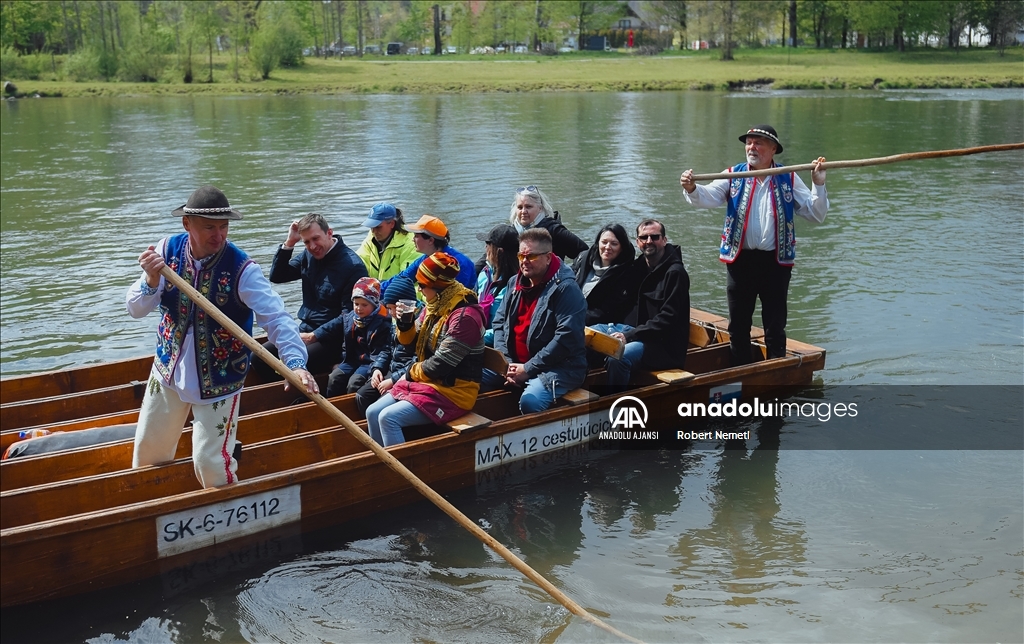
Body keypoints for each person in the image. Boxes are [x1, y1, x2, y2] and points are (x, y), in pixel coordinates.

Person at [126, 185, 316, 488]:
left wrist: (295, 363)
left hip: (220, 377)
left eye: (224, 226)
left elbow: (276, 318)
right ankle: (151, 511)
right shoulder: (166, 252)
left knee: (210, 463)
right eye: (209, 227)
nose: (219, 235)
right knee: (148, 455)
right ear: (187, 225)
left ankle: (228, 514)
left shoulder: (242, 269)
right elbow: (135, 309)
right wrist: (151, 279)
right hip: (167, 370)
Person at [680, 125, 828, 364]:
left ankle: (777, 371)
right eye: (749, 142)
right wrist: (691, 188)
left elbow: (815, 214)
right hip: (741, 261)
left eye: (758, 143)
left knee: (775, 324)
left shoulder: (789, 175)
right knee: (738, 324)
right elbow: (707, 196)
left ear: (773, 149)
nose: (751, 147)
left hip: (776, 262)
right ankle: (741, 371)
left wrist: (818, 184)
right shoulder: (734, 174)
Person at [365, 252, 487, 447]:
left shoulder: (465, 317)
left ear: (438, 287)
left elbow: (441, 365)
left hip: (454, 391)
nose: (419, 290)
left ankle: (400, 473)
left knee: (388, 418)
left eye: (422, 285)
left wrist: (407, 374)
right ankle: (383, 468)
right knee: (372, 412)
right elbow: (410, 343)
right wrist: (405, 323)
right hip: (428, 383)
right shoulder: (434, 306)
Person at [488, 228, 588, 414]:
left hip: (560, 367)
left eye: (531, 256)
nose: (524, 261)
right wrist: (506, 363)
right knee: (471, 375)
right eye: (521, 255)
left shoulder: (566, 290)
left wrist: (528, 368)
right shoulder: (514, 283)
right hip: (515, 364)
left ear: (548, 257)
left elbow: (566, 338)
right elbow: (499, 324)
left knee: (530, 402)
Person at [263, 212, 367, 376]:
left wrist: (315, 336)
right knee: (261, 357)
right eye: (306, 242)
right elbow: (277, 276)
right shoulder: (308, 256)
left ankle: (300, 397)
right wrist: (290, 243)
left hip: (333, 340)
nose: (312, 246)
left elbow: (351, 314)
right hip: (305, 330)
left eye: (315, 239)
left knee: (295, 362)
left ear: (329, 233)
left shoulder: (352, 266)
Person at [599, 220, 691, 386]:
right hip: (634, 332)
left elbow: (667, 319)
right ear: (638, 242)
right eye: (644, 237)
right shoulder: (638, 267)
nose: (649, 241)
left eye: (654, 237)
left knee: (618, 357)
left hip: (661, 345)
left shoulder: (676, 273)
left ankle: (617, 404)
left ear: (664, 240)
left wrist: (628, 336)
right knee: (585, 335)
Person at [354, 276, 418, 414]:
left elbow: (417, 360)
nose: (392, 313)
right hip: (392, 369)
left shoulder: (418, 323)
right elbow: (387, 349)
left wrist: (393, 379)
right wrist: (377, 368)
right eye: (389, 308)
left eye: (395, 308)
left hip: (407, 375)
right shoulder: (394, 323)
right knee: (362, 395)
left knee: (382, 403)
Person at [325, 277, 394, 398]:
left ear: (374, 304)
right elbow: (346, 345)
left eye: (364, 305)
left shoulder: (383, 323)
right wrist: (342, 361)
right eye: (356, 304)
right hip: (353, 360)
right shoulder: (351, 318)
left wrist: (376, 368)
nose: (359, 308)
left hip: (370, 362)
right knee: (334, 377)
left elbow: (382, 352)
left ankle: (351, 411)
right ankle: (330, 403)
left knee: (354, 383)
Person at [380, 214, 476, 295]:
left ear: (430, 240)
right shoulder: (425, 258)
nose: (413, 240)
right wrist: (375, 290)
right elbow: (402, 279)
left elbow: (456, 297)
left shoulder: (460, 264)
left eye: (416, 236)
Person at [571, 223, 639, 326]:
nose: (608, 247)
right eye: (604, 242)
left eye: (614, 244)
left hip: (596, 326)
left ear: (622, 247)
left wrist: (573, 318)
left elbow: (608, 312)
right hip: (569, 313)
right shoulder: (583, 259)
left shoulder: (628, 274)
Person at [509, 185, 587, 261]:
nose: (523, 211)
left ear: (540, 208)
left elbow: (586, 253)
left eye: (528, 207)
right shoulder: (511, 232)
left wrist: (570, 272)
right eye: (520, 207)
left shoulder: (554, 231)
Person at [475, 223, 519, 346]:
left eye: (488, 244)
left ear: (499, 251)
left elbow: (508, 328)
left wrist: (474, 338)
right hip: (477, 338)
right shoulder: (485, 273)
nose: (485, 248)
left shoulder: (517, 285)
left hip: (498, 345)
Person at [356, 202, 421, 282]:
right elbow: (358, 264)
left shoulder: (412, 244)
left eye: (378, 227)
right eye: (371, 227)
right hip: (377, 290)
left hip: (403, 292)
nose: (374, 231)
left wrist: (375, 286)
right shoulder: (371, 238)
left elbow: (406, 281)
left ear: (392, 224)